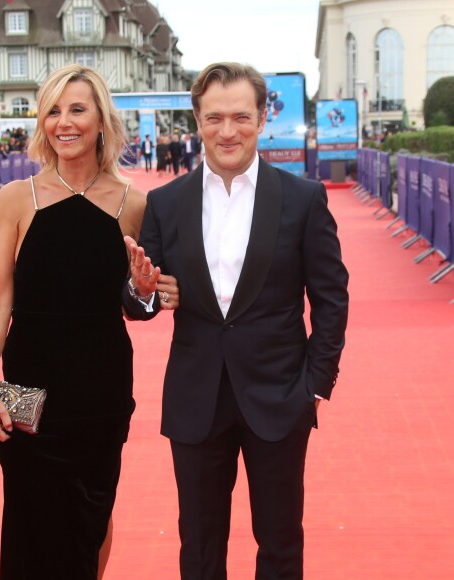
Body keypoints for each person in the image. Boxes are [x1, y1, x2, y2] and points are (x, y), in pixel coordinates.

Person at [125, 62, 349, 579]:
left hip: (280, 395)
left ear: (263, 118)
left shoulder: (303, 199)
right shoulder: (164, 203)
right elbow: (142, 300)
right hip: (195, 398)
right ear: (197, 121)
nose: (228, 131)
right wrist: (140, 293)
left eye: (241, 117)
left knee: (280, 543)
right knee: (200, 548)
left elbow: (331, 298)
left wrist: (316, 384)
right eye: (215, 118)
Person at [0, 64, 177, 579]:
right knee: (29, 514)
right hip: (27, 390)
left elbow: (141, 302)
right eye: (53, 111)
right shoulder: (17, 198)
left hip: (101, 390)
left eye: (77, 109)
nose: (64, 122)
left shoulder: (135, 204)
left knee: (93, 512)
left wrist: (146, 290)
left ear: (102, 120)